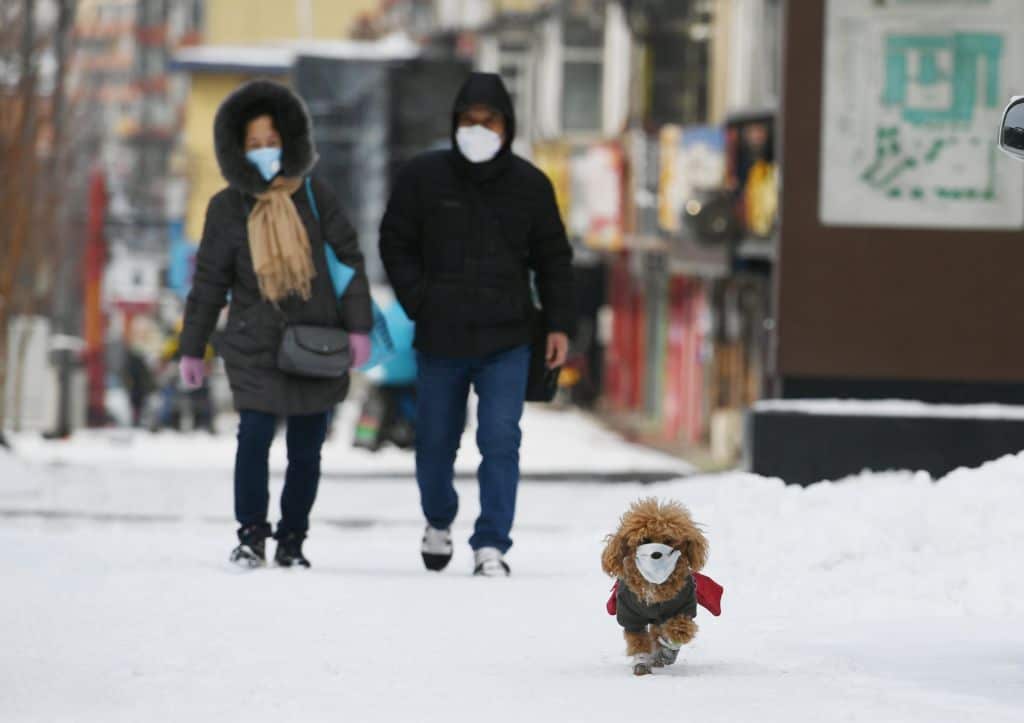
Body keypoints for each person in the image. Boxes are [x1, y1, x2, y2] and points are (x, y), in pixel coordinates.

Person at [379, 72, 574, 577]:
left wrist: (558, 324)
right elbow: (394, 241)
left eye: (488, 120)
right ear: (454, 124)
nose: (478, 129)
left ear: (507, 126)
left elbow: (554, 259)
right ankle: (438, 521)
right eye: (469, 120)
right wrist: (420, 300)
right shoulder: (423, 178)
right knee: (435, 439)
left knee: (501, 439)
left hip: (507, 338)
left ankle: (492, 543)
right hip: (440, 337)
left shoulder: (531, 186)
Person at [178, 80, 373, 569]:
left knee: (307, 449)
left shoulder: (315, 196)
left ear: (289, 141)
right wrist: (191, 347)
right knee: (254, 437)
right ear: (237, 150)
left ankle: (292, 539)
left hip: (315, 343)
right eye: (253, 144)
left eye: (272, 141)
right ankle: (251, 534)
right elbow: (208, 283)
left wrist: (359, 328)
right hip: (253, 344)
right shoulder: (227, 207)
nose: (265, 152)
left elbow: (348, 262)